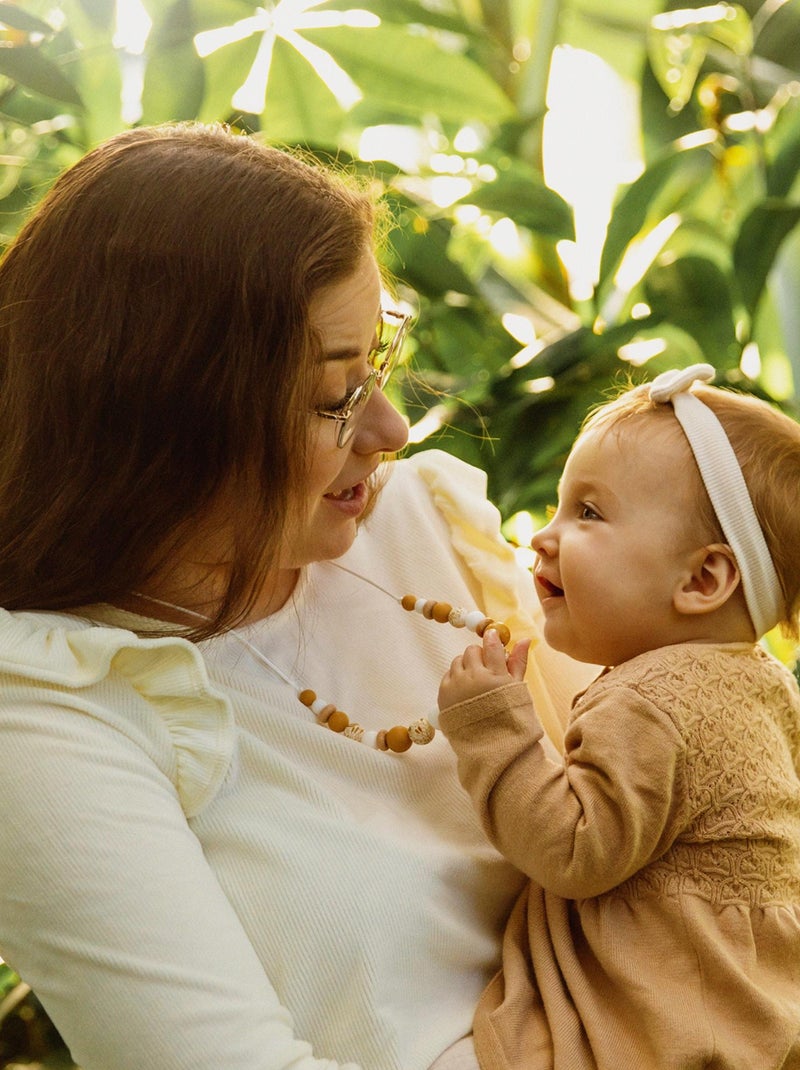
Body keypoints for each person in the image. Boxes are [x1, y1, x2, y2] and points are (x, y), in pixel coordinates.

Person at [0, 122, 593, 1070]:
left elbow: (699, 781)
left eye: (378, 368)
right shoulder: (50, 715)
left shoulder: (424, 530)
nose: (392, 431)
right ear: (171, 426)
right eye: (334, 399)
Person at [437, 364, 800, 1069]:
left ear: (701, 580)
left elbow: (573, 848)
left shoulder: (651, 701)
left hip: (661, 1028)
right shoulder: (764, 685)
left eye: (589, 513)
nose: (544, 537)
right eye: (558, 506)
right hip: (754, 1007)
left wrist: (493, 727)